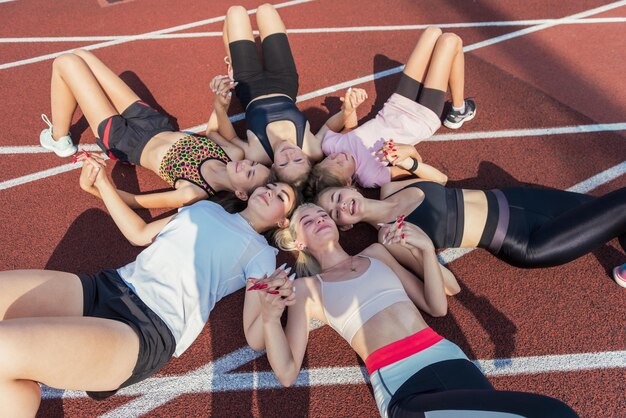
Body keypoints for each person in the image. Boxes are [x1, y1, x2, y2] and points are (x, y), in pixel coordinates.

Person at [0, 154, 300, 416]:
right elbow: (139, 233)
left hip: (145, 329)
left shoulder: (262, 254)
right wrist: (103, 182)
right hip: (108, 286)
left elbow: (255, 336)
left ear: (282, 223)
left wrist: (271, 313)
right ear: (246, 193)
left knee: (4, 348)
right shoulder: (206, 208)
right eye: (269, 187)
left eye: (281, 198)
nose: (270, 193)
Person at [252, 204, 578, 417]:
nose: (319, 219)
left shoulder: (377, 253)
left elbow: (435, 306)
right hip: (403, 382)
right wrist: (268, 317)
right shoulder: (307, 289)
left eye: (322, 214)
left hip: (450, 359)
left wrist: (424, 251)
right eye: (307, 220)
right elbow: (286, 372)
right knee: (555, 414)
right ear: (298, 243)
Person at [39, 49, 270, 209]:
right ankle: (61, 130)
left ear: (240, 193)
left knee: (65, 62)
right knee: (81, 56)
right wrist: (221, 99)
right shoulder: (233, 155)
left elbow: (133, 201)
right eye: (253, 164)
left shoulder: (193, 192)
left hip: (125, 141)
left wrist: (94, 188)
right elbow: (212, 131)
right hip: (152, 122)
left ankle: (59, 138)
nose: (246, 164)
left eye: (248, 173)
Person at [317, 179, 626, 278]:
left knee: (612, 212)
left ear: (350, 188)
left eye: (336, 198)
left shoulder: (390, 186)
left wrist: (408, 163)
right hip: (525, 241)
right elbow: (448, 285)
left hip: (521, 198)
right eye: (335, 214)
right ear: (344, 227)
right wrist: (425, 250)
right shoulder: (389, 237)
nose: (340, 206)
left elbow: (438, 176)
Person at [307, 27, 473, 194]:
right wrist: (409, 152)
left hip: (397, 103)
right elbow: (414, 169)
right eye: (340, 164)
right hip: (421, 118)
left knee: (432, 32)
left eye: (331, 159)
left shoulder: (331, 146)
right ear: (349, 182)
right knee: (450, 41)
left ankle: (459, 107)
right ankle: (459, 109)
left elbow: (350, 128)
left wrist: (350, 108)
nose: (339, 156)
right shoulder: (370, 176)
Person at [215, 4, 360, 187]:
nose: (289, 155)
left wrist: (220, 107)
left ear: (274, 167)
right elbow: (330, 126)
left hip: (248, 84)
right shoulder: (312, 148)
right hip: (283, 80)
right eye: (298, 160)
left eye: (284, 163)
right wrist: (347, 111)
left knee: (235, 11)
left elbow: (231, 138)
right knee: (266, 9)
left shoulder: (257, 154)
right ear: (308, 161)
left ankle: (232, 60)